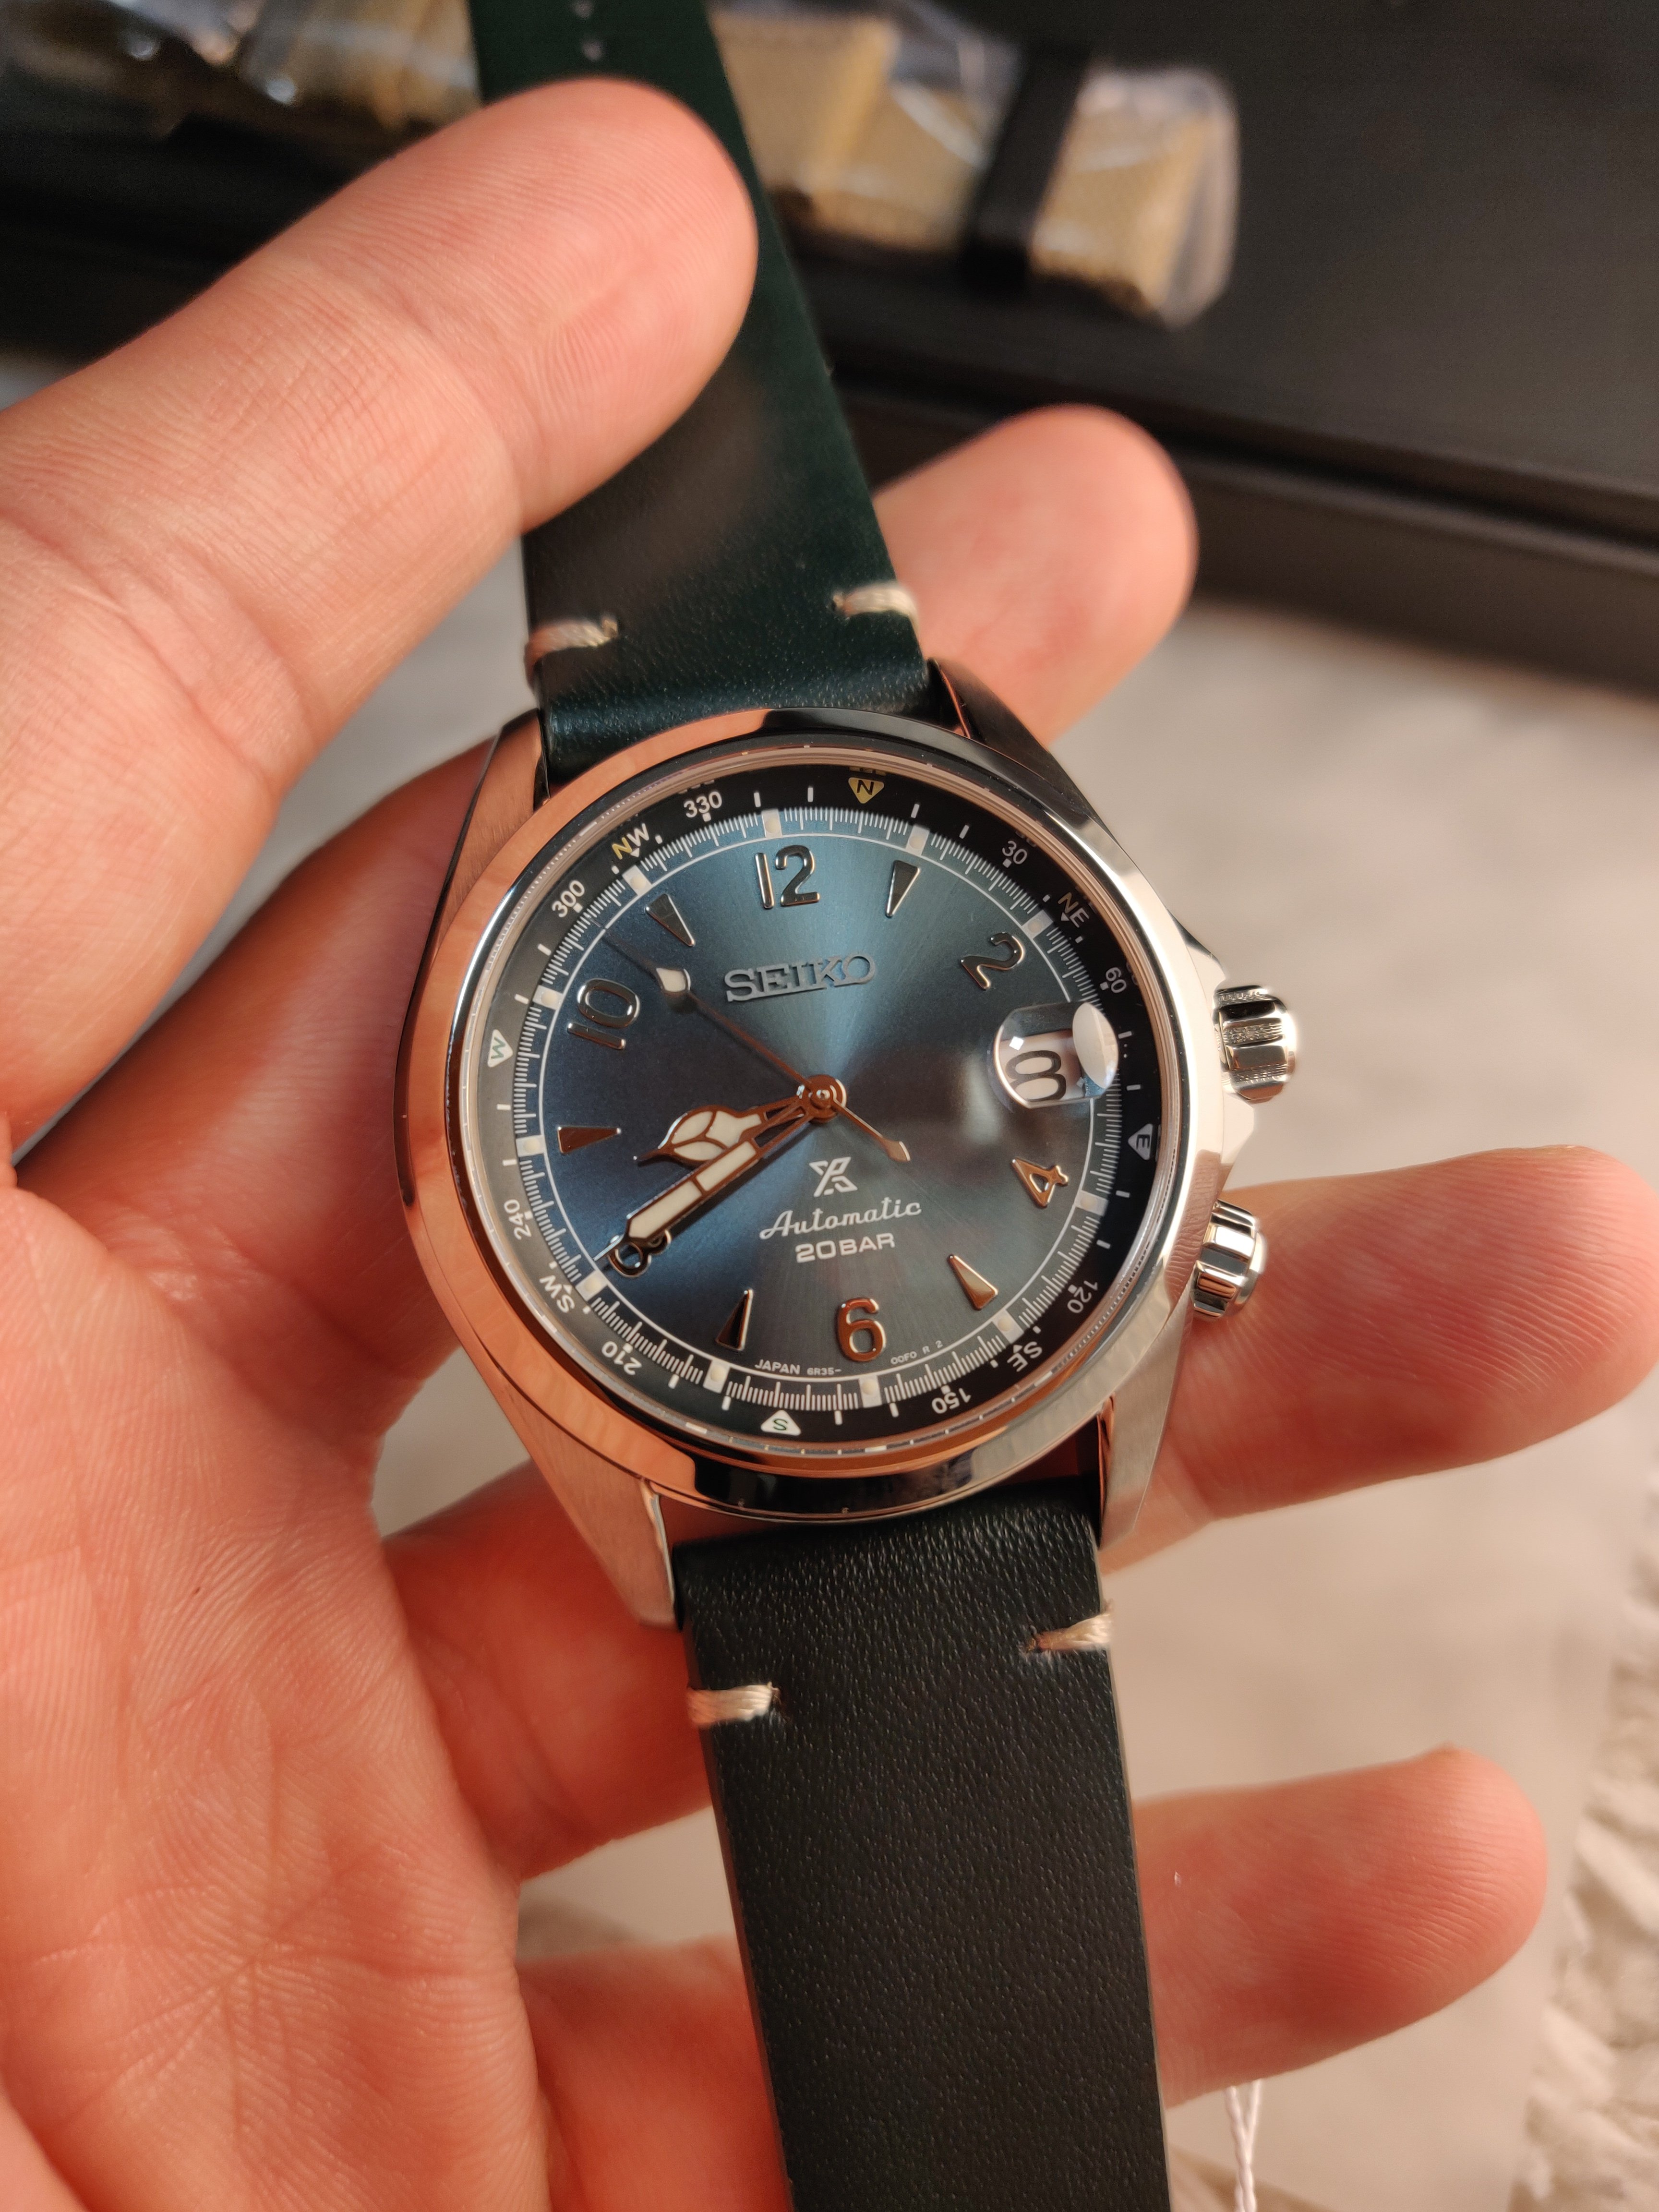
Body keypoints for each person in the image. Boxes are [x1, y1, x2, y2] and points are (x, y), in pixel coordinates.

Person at [1, 81, 1655, 2212]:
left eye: (827, 1079)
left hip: (980, 1394)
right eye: (789, 1089)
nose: (821, 1091)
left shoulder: (972, 941)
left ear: (1207, 1042)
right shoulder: (583, 1055)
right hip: (765, 1420)